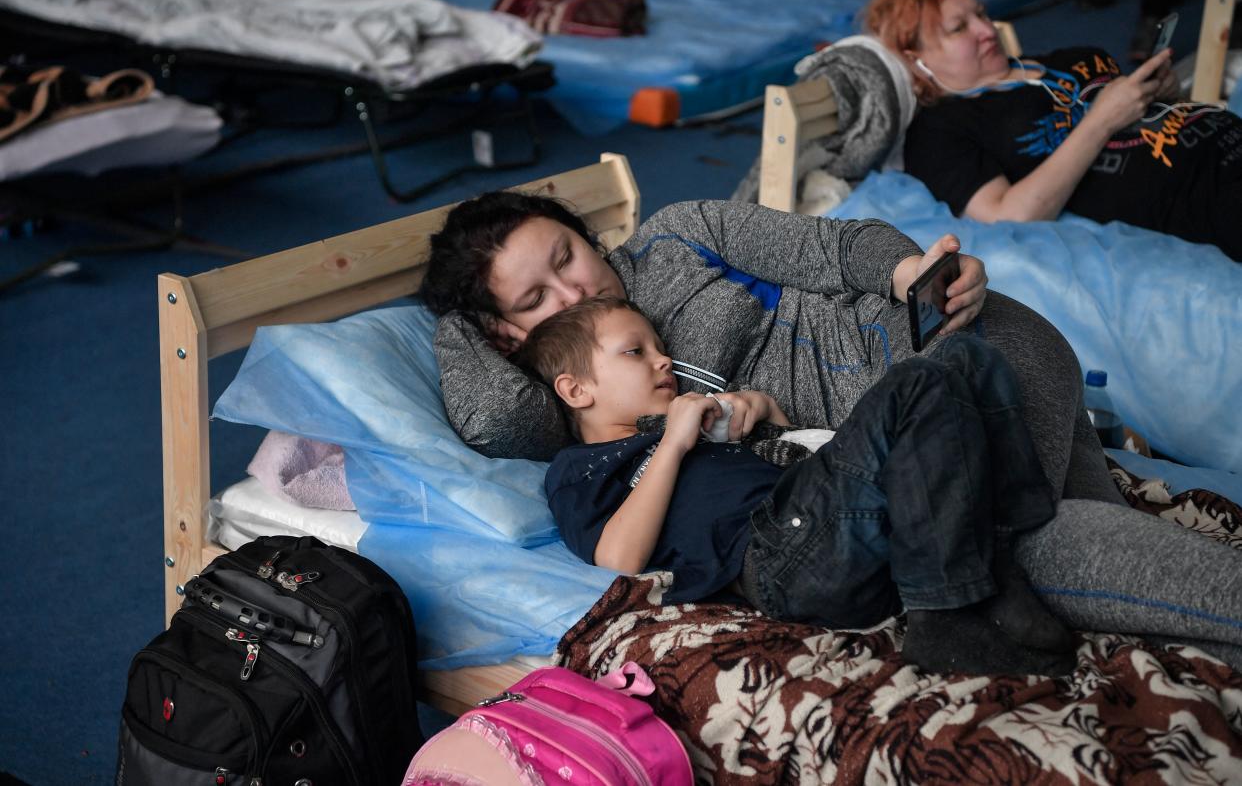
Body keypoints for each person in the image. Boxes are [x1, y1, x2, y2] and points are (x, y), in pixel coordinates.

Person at [422, 189, 1242, 668]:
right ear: (509, 337)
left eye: (565, 254)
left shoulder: (677, 234)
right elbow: (490, 416)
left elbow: (833, 246)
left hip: (952, 351)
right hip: (903, 440)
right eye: (534, 300)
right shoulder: (572, 384)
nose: (571, 290)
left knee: (1026, 545)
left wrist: (914, 274)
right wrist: (467, 313)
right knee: (1100, 585)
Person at [520, 296, 1075, 675]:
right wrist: (672, 443)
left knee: (967, 355)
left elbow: (798, 460)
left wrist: (765, 415)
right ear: (575, 390)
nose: (665, 358)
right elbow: (618, 558)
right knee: (918, 382)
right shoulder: (579, 469)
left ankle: (998, 562)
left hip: (830, 523)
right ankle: (948, 619)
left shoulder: (690, 431)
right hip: (778, 559)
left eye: (657, 345)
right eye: (635, 351)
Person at [864, 0, 1242, 258]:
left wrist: (1164, 93)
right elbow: (1004, 215)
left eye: (980, 13)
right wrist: (1101, 120)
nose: (986, 29)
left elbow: (1149, 115)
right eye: (959, 28)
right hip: (1207, 196)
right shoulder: (941, 129)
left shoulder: (1075, 55)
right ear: (917, 60)